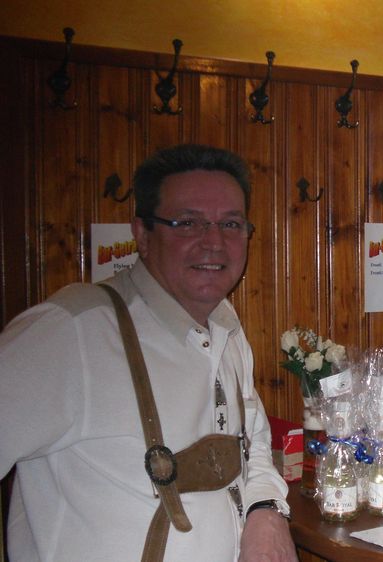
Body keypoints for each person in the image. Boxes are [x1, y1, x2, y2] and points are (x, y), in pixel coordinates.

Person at [0, 145, 296, 561]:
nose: (214, 242)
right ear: (142, 234)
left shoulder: (226, 324)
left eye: (230, 223)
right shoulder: (70, 332)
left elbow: (254, 439)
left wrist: (265, 508)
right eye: (188, 223)